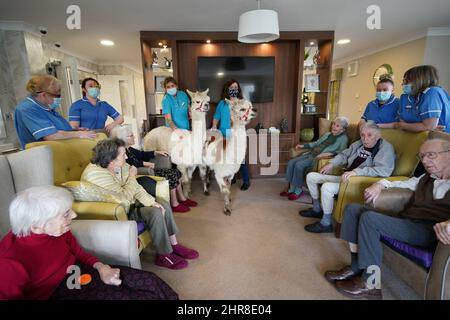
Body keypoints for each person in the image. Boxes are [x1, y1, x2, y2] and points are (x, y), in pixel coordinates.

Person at [0, 186, 178, 300]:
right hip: (56, 293)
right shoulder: (9, 261)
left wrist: (102, 267)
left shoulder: (57, 230)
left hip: (79, 273)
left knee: (150, 282)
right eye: (66, 214)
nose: (74, 216)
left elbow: (78, 252)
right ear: (37, 226)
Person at [326, 138, 450, 299]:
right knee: (352, 209)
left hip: (429, 231)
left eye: (431, 155)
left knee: (370, 219)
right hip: (409, 221)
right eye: (422, 156)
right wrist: (379, 185)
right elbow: (402, 183)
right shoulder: (426, 178)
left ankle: (371, 284)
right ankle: (356, 266)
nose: (425, 160)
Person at [81, 138, 199, 270]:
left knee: (162, 204)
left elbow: (136, 188)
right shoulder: (96, 175)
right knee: (155, 212)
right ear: (111, 160)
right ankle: (164, 255)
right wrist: (131, 177)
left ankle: (174, 244)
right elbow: (124, 199)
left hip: (129, 202)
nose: (126, 157)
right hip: (117, 211)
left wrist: (152, 202)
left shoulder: (118, 165)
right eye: (123, 155)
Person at [300, 121, 396, 233]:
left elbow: (383, 170)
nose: (365, 139)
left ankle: (326, 223)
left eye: (369, 135)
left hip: (356, 182)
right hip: (345, 177)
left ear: (378, 135)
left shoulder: (386, 148)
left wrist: (357, 172)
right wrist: (332, 163)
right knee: (311, 176)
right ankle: (317, 209)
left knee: (327, 187)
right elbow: (344, 155)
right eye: (362, 135)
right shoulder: (359, 143)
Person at [111, 125, 198, 213]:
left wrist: (156, 152)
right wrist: (145, 163)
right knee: (172, 175)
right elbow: (129, 164)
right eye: (131, 135)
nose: (134, 136)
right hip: (141, 172)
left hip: (146, 169)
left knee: (176, 172)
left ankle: (182, 198)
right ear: (123, 138)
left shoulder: (130, 149)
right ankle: (174, 203)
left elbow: (142, 154)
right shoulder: (121, 152)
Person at [14, 74, 97, 149]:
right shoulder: (27, 109)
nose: (59, 98)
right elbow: (51, 135)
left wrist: (75, 130)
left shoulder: (47, 108)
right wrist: (79, 134)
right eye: (57, 95)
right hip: (43, 158)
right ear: (43, 95)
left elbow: (57, 129)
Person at [282, 117, 349, 200]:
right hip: (311, 153)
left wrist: (330, 153)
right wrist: (303, 146)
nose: (334, 126)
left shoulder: (343, 138)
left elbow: (343, 152)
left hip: (317, 157)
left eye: (337, 126)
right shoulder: (327, 134)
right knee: (291, 162)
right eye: (334, 124)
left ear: (342, 130)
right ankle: (291, 189)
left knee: (299, 165)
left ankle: (298, 190)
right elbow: (316, 143)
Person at [211, 79, 251, 190]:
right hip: (223, 134)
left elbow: (245, 117)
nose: (234, 89)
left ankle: (246, 180)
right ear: (227, 89)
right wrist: (214, 126)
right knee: (226, 158)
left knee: (240, 159)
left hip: (236, 134)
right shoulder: (222, 103)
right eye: (231, 87)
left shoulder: (242, 102)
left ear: (238, 89)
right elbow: (216, 117)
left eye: (235, 87)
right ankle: (231, 178)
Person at [396, 65, 450, 133]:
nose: (402, 84)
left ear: (419, 80)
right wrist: (421, 127)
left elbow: (428, 126)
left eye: (407, 81)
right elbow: (404, 123)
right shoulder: (411, 97)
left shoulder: (433, 92)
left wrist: (403, 125)